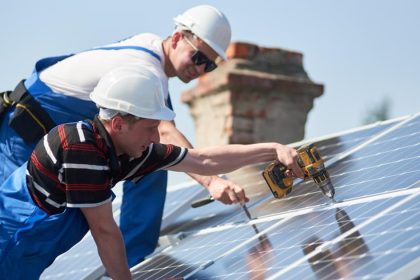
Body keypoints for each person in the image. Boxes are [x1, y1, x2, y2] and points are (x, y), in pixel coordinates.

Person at [0, 65, 303, 279]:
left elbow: (204, 162)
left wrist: (273, 149)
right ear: (118, 124)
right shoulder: (80, 148)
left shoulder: (129, 150)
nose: (156, 138)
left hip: (30, 251)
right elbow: (105, 231)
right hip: (10, 239)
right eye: (150, 128)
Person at [0, 5, 243, 266]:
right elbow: (165, 131)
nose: (200, 69)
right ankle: (134, 257)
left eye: (209, 66)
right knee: (13, 229)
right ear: (176, 38)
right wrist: (211, 181)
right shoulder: (145, 68)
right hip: (22, 135)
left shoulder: (149, 51)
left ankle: (133, 258)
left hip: (46, 137)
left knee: (150, 161)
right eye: (198, 58)